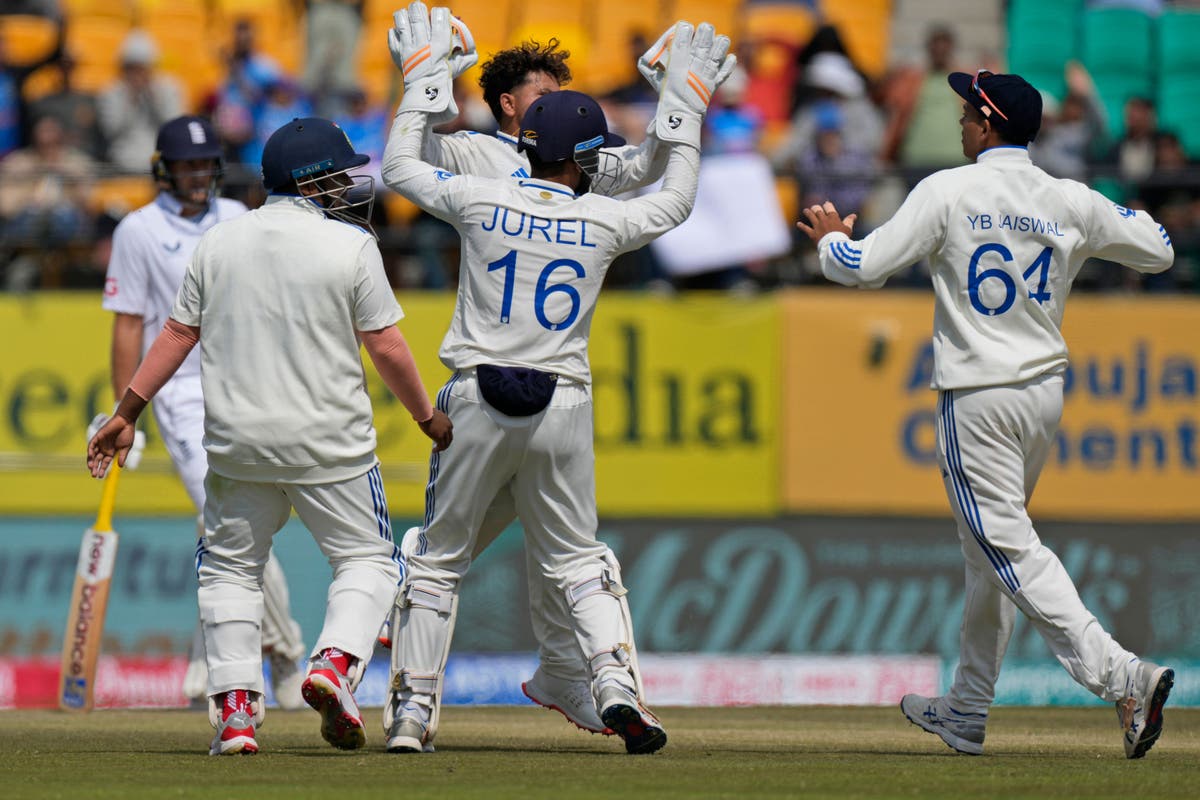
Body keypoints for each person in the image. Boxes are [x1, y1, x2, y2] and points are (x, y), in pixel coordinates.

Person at [380, 8, 730, 754]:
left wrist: (418, 87)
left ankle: (413, 712)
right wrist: (687, 112)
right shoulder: (599, 215)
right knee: (578, 559)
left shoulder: (482, 195)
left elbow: (400, 171)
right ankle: (614, 685)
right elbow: (670, 198)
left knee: (439, 563)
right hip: (561, 397)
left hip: (479, 391)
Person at [796, 69, 1175, 759]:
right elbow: (1159, 249)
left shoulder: (949, 189)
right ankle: (968, 709)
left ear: (990, 123)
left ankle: (1123, 676)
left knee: (1007, 550)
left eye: (969, 112)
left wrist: (828, 239)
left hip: (978, 396)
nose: (962, 122)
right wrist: (1117, 221)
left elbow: (862, 265)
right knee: (989, 556)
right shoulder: (1067, 198)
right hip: (1042, 400)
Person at [87, 116, 453, 756]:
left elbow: (174, 335)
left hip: (238, 445)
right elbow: (387, 345)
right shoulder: (351, 246)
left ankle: (234, 713)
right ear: (313, 181)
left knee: (229, 568)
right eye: (338, 174)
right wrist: (426, 417)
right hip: (330, 445)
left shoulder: (220, 242)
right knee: (368, 561)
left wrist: (127, 411)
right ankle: (334, 666)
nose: (348, 184)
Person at [95, 114, 308, 711]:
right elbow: (129, 325)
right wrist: (126, 415)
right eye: (185, 164)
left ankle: (213, 661)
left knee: (233, 521)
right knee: (225, 514)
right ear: (164, 168)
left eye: (203, 163)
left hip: (244, 377)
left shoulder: (238, 218)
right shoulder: (138, 231)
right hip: (181, 391)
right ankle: (288, 652)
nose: (196, 174)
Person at [96, 30, 184, 172]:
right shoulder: (111, 92)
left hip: (161, 161)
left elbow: (175, 128)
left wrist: (155, 98)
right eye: (132, 68)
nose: (138, 75)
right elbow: (111, 130)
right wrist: (131, 99)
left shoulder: (169, 88)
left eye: (143, 68)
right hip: (123, 163)